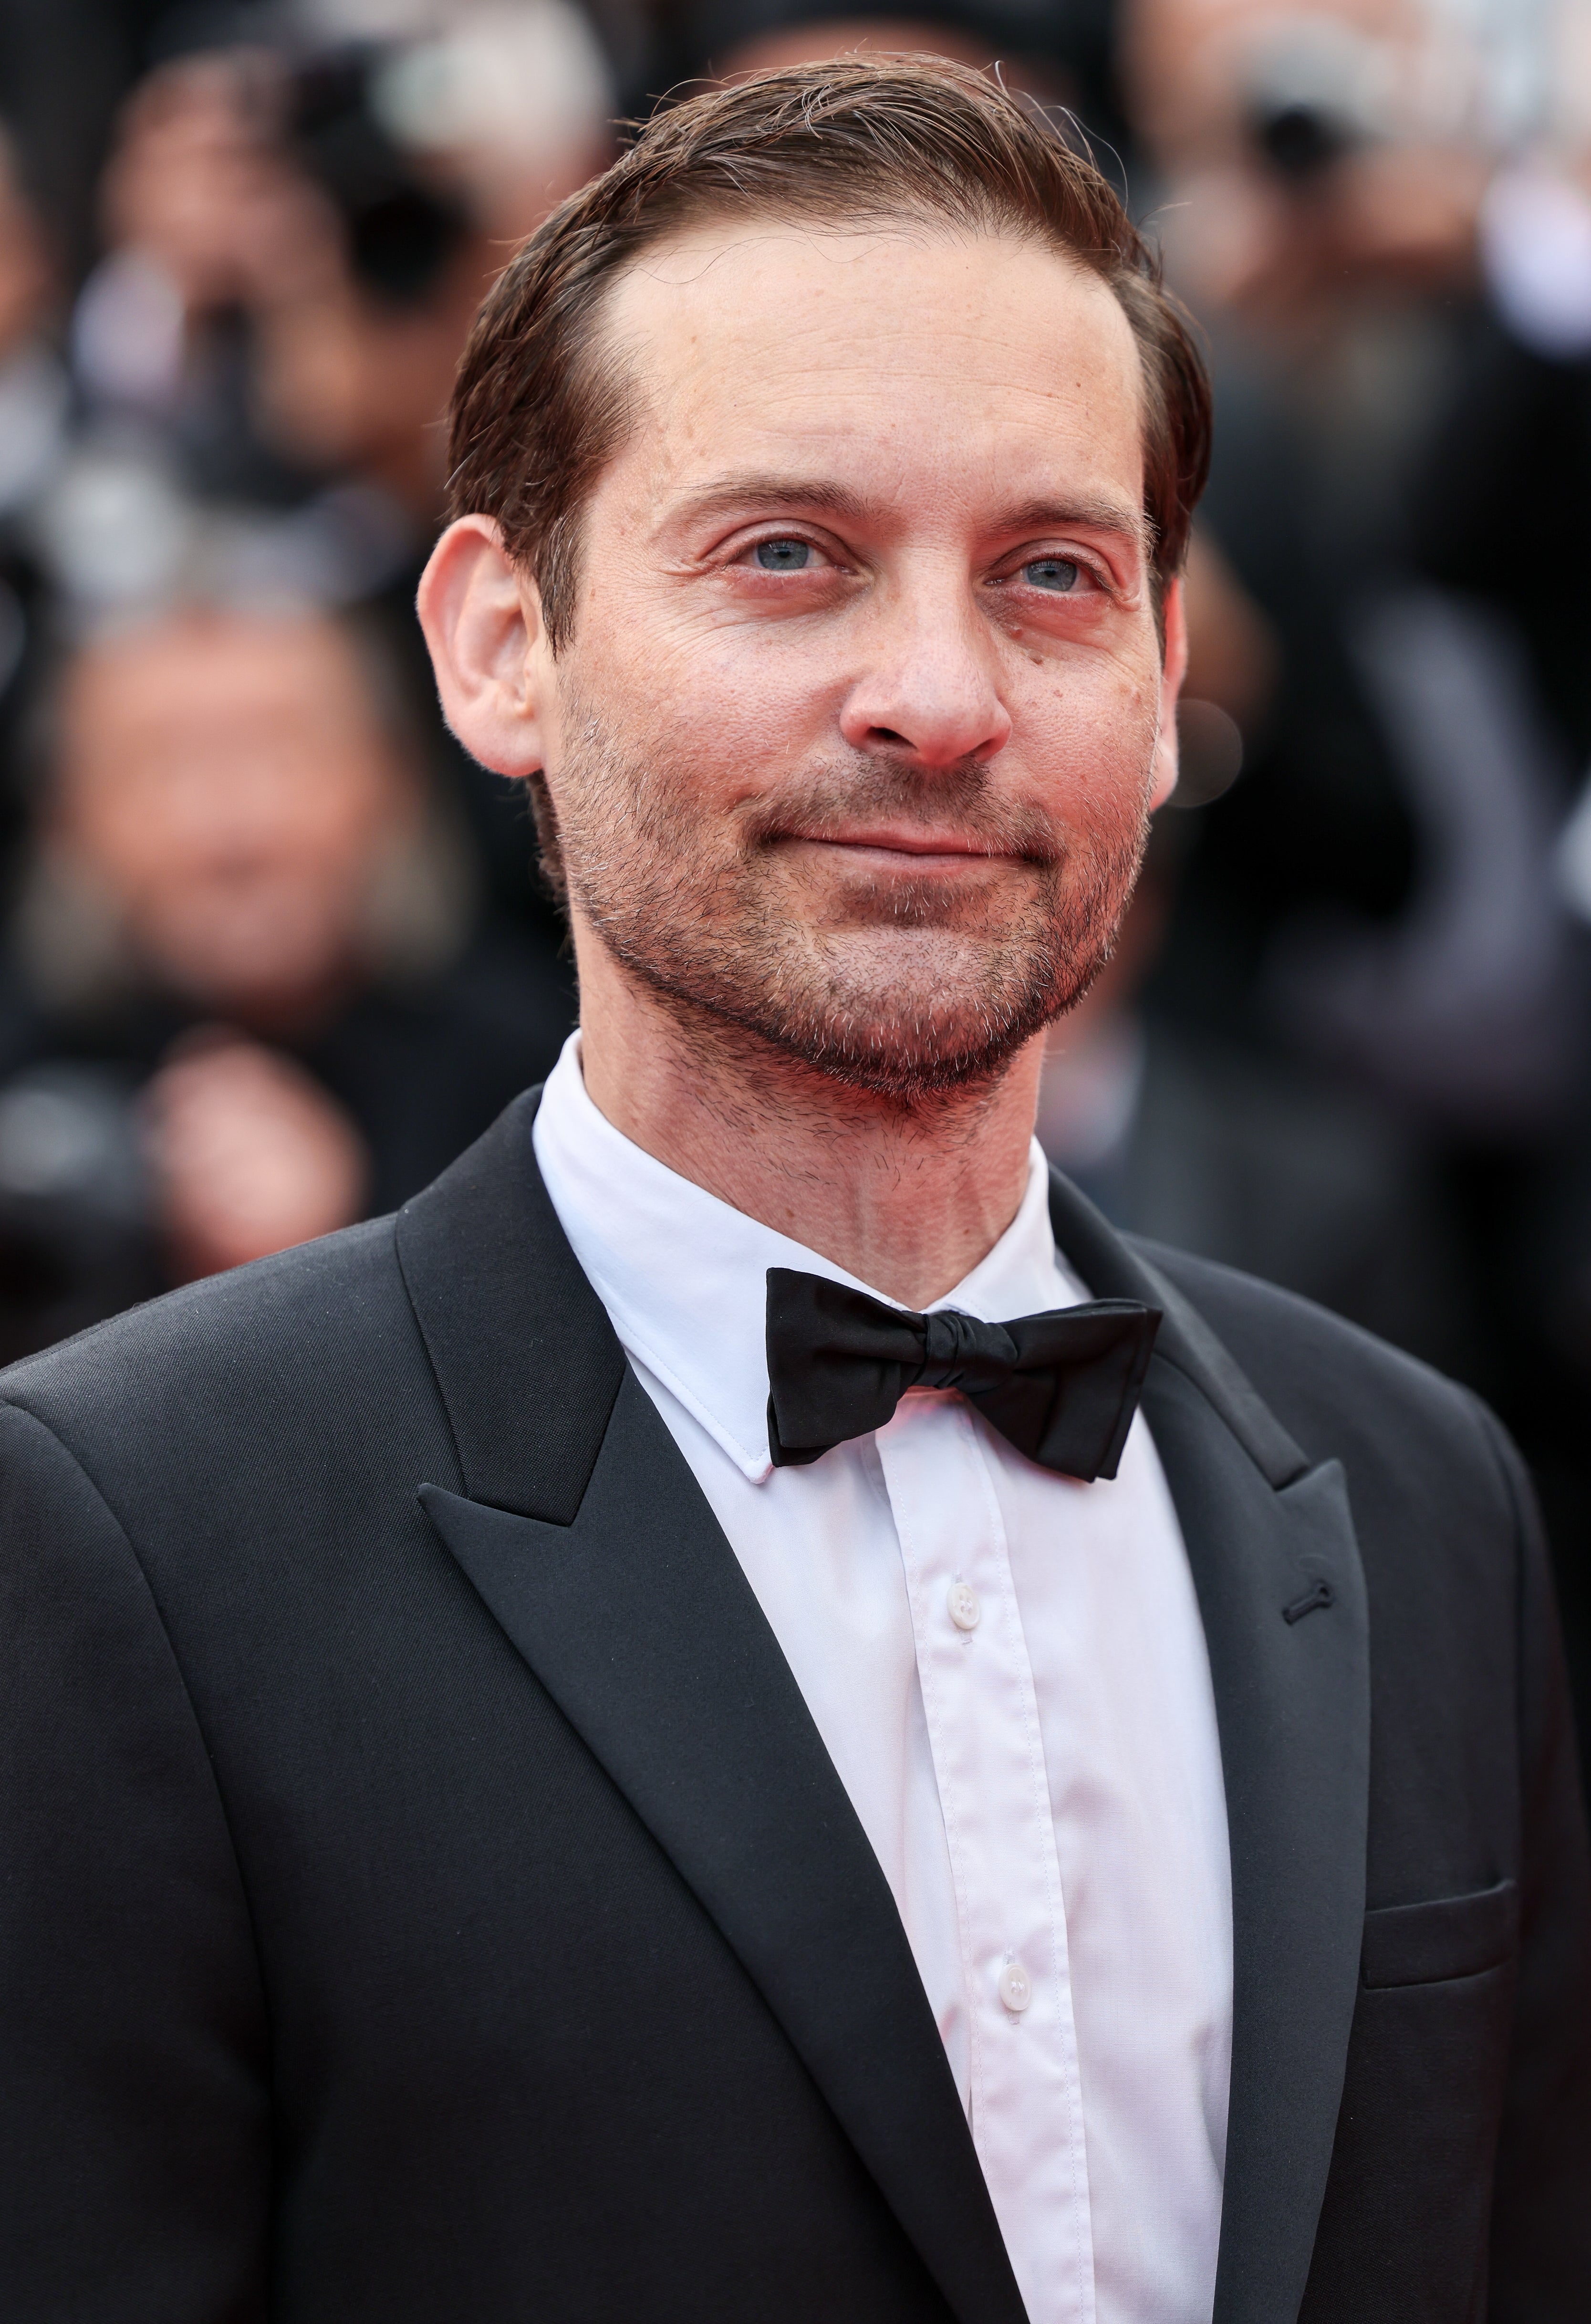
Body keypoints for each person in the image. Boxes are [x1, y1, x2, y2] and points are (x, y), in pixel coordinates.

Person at [0, 56, 1586, 2324]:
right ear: (500, 644)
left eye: (1050, 574)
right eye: (788, 556)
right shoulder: (118, 1541)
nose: (938, 694)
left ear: (1161, 682)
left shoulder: (1425, 1501)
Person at [0, 601, 572, 1357]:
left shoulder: (541, 1073)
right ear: (65, 817)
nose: (235, 830)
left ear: (395, 776)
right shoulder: (23, 1077)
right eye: (162, 768)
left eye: (284, 755)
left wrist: (330, 1259)